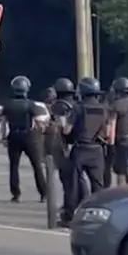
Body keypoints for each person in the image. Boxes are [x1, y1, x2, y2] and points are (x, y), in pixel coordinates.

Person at [61, 77, 109, 221]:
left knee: (73, 185)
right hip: (97, 150)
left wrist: (62, 124)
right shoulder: (103, 109)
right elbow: (106, 133)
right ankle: (100, 215)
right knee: (98, 185)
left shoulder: (78, 107)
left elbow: (67, 131)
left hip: (80, 149)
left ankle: (70, 215)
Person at [0, 75, 47, 203]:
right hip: (29, 136)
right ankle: (43, 193)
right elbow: (39, 122)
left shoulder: (8, 104)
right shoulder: (31, 105)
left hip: (14, 135)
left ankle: (16, 194)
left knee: (14, 166)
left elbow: (3, 123)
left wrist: (3, 136)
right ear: (27, 89)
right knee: (36, 165)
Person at [46, 77, 78, 224]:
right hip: (76, 146)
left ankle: (69, 213)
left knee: (67, 183)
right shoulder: (75, 104)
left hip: (63, 147)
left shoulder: (59, 106)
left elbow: (63, 127)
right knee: (77, 181)